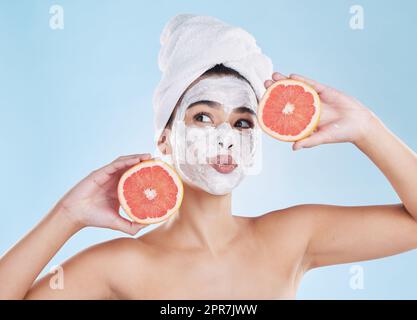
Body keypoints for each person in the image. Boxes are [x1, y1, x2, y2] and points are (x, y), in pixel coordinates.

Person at [1, 15, 417, 300]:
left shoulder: (293, 237)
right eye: (203, 116)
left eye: (242, 122)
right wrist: (67, 214)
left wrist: (367, 129)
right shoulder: (122, 265)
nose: (226, 138)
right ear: (165, 139)